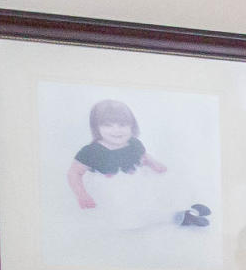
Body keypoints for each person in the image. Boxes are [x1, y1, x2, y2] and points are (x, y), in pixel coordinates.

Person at [67, 99, 209, 230]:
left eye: (122, 125)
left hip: (136, 181)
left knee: (166, 185)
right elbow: (74, 173)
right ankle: (180, 216)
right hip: (111, 191)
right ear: (96, 128)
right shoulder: (91, 151)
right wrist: (82, 194)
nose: (116, 130)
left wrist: (153, 163)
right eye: (108, 125)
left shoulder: (134, 143)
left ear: (132, 126)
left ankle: (187, 208)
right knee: (136, 212)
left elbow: (143, 156)